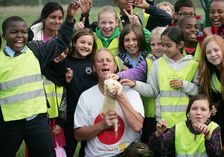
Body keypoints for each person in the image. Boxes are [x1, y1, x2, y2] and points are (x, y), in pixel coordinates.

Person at [0, 1, 79, 157]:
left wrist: (69, 18)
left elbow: (61, 41)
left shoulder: (36, 50)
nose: (19, 36)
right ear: (4, 36)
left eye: (23, 32)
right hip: (9, 123)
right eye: (13, 32)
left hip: (37, 120)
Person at [121, 26, 199, 129]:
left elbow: (199, 91)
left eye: (168, 45)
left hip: (185, 121)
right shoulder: (157, 64)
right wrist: (135, 84)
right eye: (163, 45)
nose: (164, 49)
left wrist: (184, 85)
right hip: (162, 122)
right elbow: (152, 90)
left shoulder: (193, 65)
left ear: (180, 45)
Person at [74, 48, 144, 156]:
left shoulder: (131, 93)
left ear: (115, 67)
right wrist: (101, 125)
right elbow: (78, 135)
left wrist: (120, 98)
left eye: (108, 60)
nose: (105, 63)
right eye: (100, 61)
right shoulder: (86, 96)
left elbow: (137, 126)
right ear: (94, 68)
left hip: (126, 153)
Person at [62, 28, 98, 157]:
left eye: (89, 44)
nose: (86, 46)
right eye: (82, 42)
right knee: (68, 148)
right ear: (74, 43)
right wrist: (66, 80)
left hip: (90, 114)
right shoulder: (66, 61)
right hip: (71, 113)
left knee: (87, 149)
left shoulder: (94, 63)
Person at [148, 94, 222, 157]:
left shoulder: (214, 128)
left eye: (203, 109)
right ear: (188, 113)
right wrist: (158, 133)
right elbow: (157, 150)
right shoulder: (178, 127)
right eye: (194, 108)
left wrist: (208, 137)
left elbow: (216, 155)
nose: (198, 112)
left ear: (209, 113)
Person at [198, 34, 224, 143]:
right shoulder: (211, 76)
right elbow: (218, 100)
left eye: (216, 50)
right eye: (208, 52)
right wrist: (213, 107)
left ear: (223, 49)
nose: (213, 55)